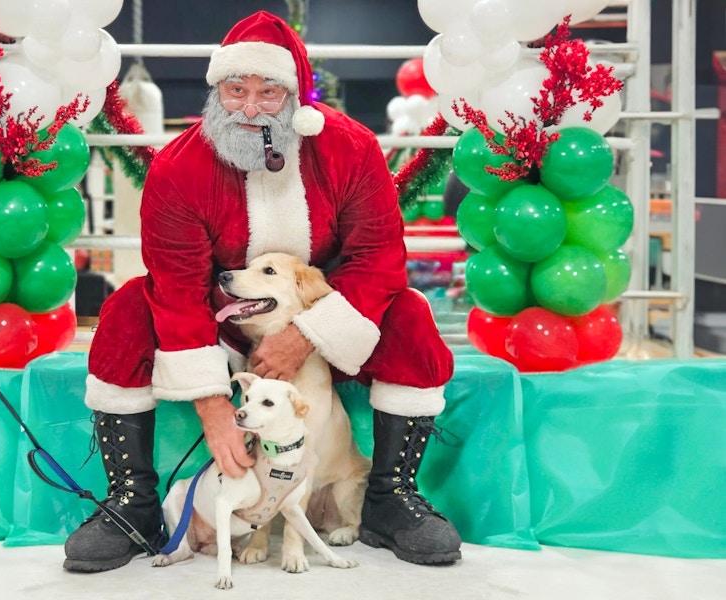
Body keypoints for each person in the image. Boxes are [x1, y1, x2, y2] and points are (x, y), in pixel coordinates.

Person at [62, 10, 460, 573]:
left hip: (327, 312)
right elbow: (175, 290)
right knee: (128, 310)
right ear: (215, 89)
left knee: (413, 317)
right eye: (236, 88)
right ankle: (134, 504)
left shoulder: (351, 149)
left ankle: (388, 498)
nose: (249, 107)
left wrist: (306, 336)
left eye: (269, 91)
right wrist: (211, 403)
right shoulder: (179, 169)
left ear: (296, 96)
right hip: (219, 320)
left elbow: (379, 260)